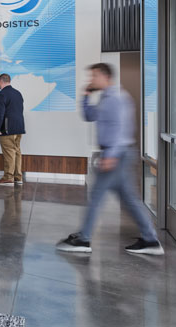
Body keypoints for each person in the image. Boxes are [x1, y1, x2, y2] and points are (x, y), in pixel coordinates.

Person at [56, 63, 163, 255]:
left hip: (117, 155)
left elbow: (121, 130)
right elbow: (89, 116)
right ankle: (150, 239)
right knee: (129, 199)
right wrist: (85, 96)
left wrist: (111, 156)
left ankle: (84, 239)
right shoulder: (105, 98)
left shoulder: (117, 98)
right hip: (116, 154)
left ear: (105, 77)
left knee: (96, 197)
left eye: (94, 76)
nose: (91, 80)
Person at [0, 73, 25, 186]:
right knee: (17, 152)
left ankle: (8, 178)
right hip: (19, 127)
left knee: (9, 153)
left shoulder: (1, 94)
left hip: (7, 129)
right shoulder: (18, 93)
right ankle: (18, 177)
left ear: (1, 81)